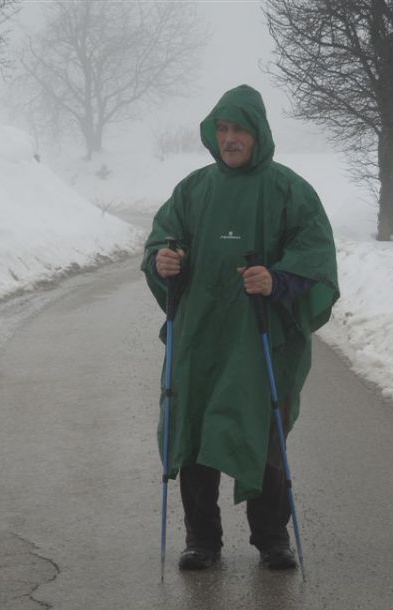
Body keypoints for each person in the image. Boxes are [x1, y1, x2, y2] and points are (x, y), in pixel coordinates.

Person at [142, 84, 339, 572]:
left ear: (258, 134)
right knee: (197, 426)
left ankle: (272, 537)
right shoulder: (193, 190)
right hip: (200, 333)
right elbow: (164, 244)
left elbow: (315, 255)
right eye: (223, 129)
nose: (230, 138)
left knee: (262, 427)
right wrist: (164, 262)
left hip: (261, 336)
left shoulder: (289, 190)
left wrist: (277, 279)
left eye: (239, 130)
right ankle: (201, 540)